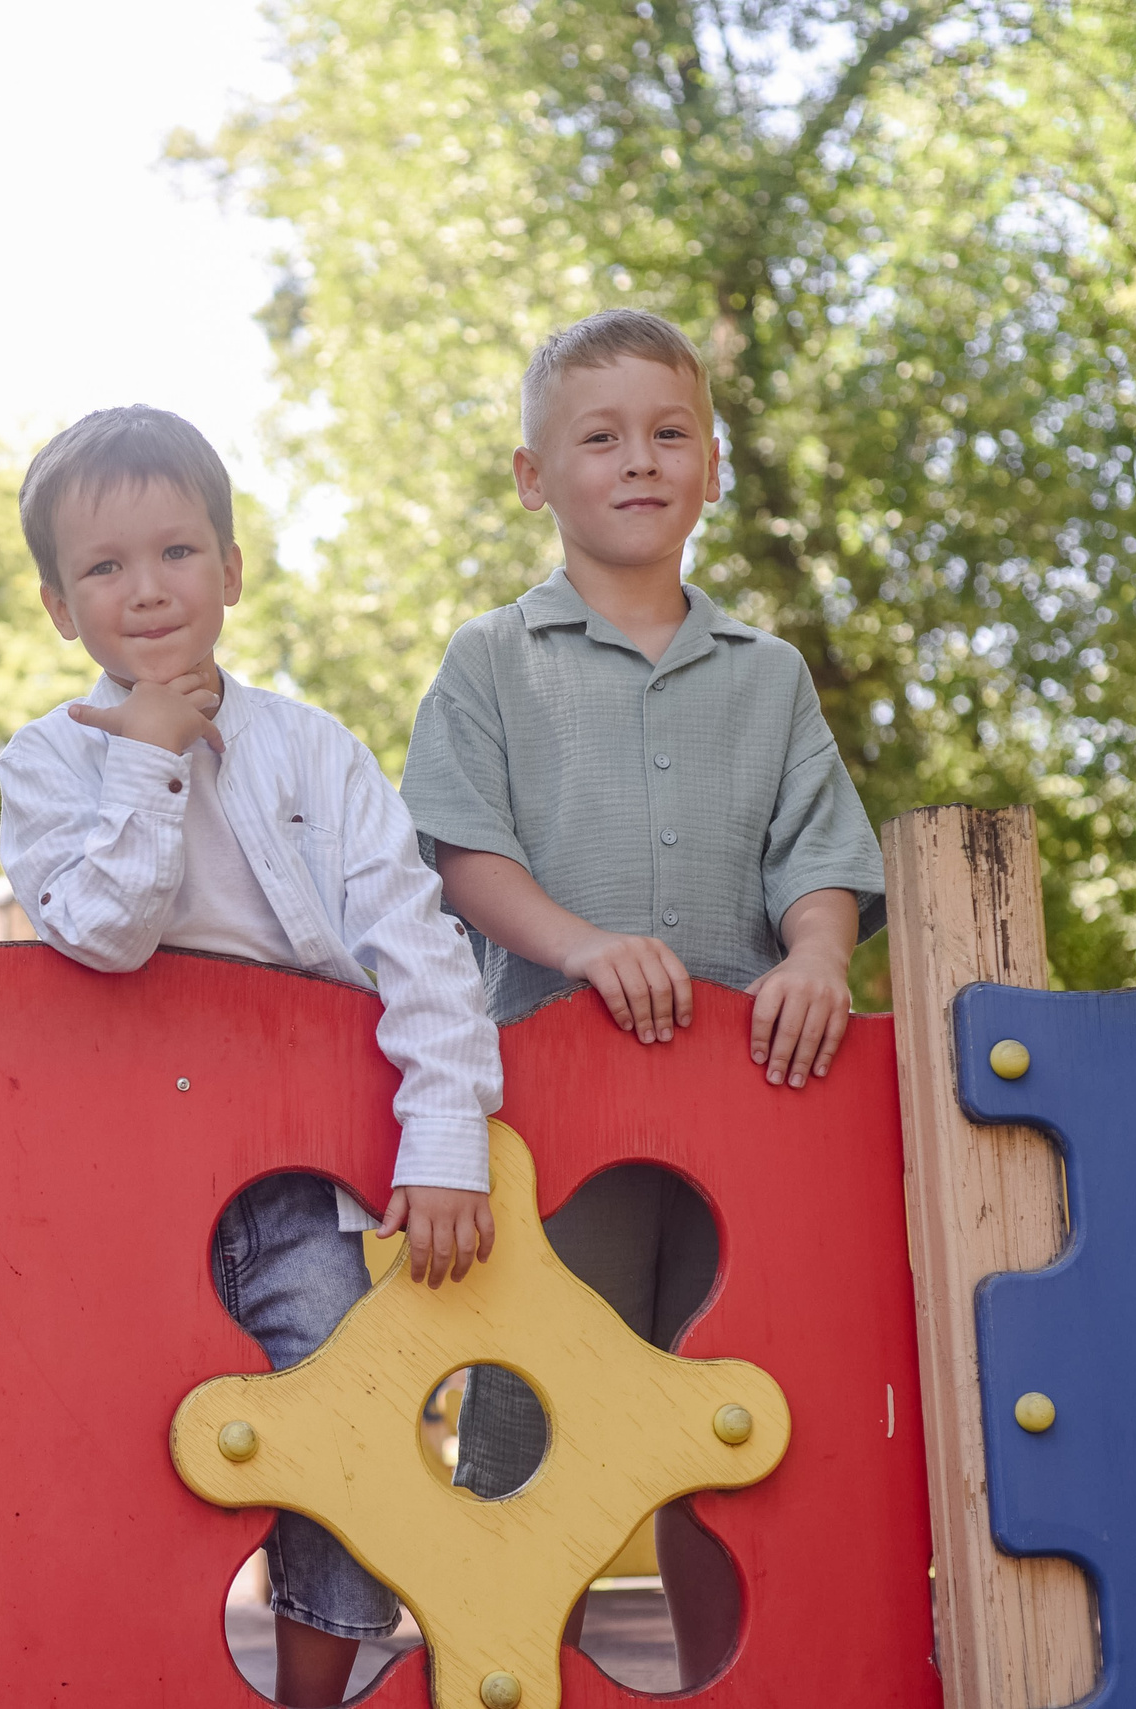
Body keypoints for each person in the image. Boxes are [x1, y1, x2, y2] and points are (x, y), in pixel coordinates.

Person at [398, 307, 887, 1684]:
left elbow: (822, 862)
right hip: (559, 1116)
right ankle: (506, 1673)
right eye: (599, 437)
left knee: (736, 1421)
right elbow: (461, 855)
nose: (639, 460)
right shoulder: (493, 662)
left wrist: (813, 953)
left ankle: (743, 1676)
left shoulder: (770, 675)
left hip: (754, 1112)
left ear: (714, 467)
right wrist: (580, 942)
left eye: (671, 433)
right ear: (533, 476)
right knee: (529, 1425)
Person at [0, 406, 504, 1708]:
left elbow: (420, 946)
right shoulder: (51, 762)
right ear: (59, 605)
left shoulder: (312, 750)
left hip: (293, 1179)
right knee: (105, 1425)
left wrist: (444, 1142)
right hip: (116, 1175)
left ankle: (311, 1689)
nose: (147, 588)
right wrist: (153, 762)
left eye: (175, 552)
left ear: (232, 569)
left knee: (342, 1413)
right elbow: (104, 937)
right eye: (104, 568)